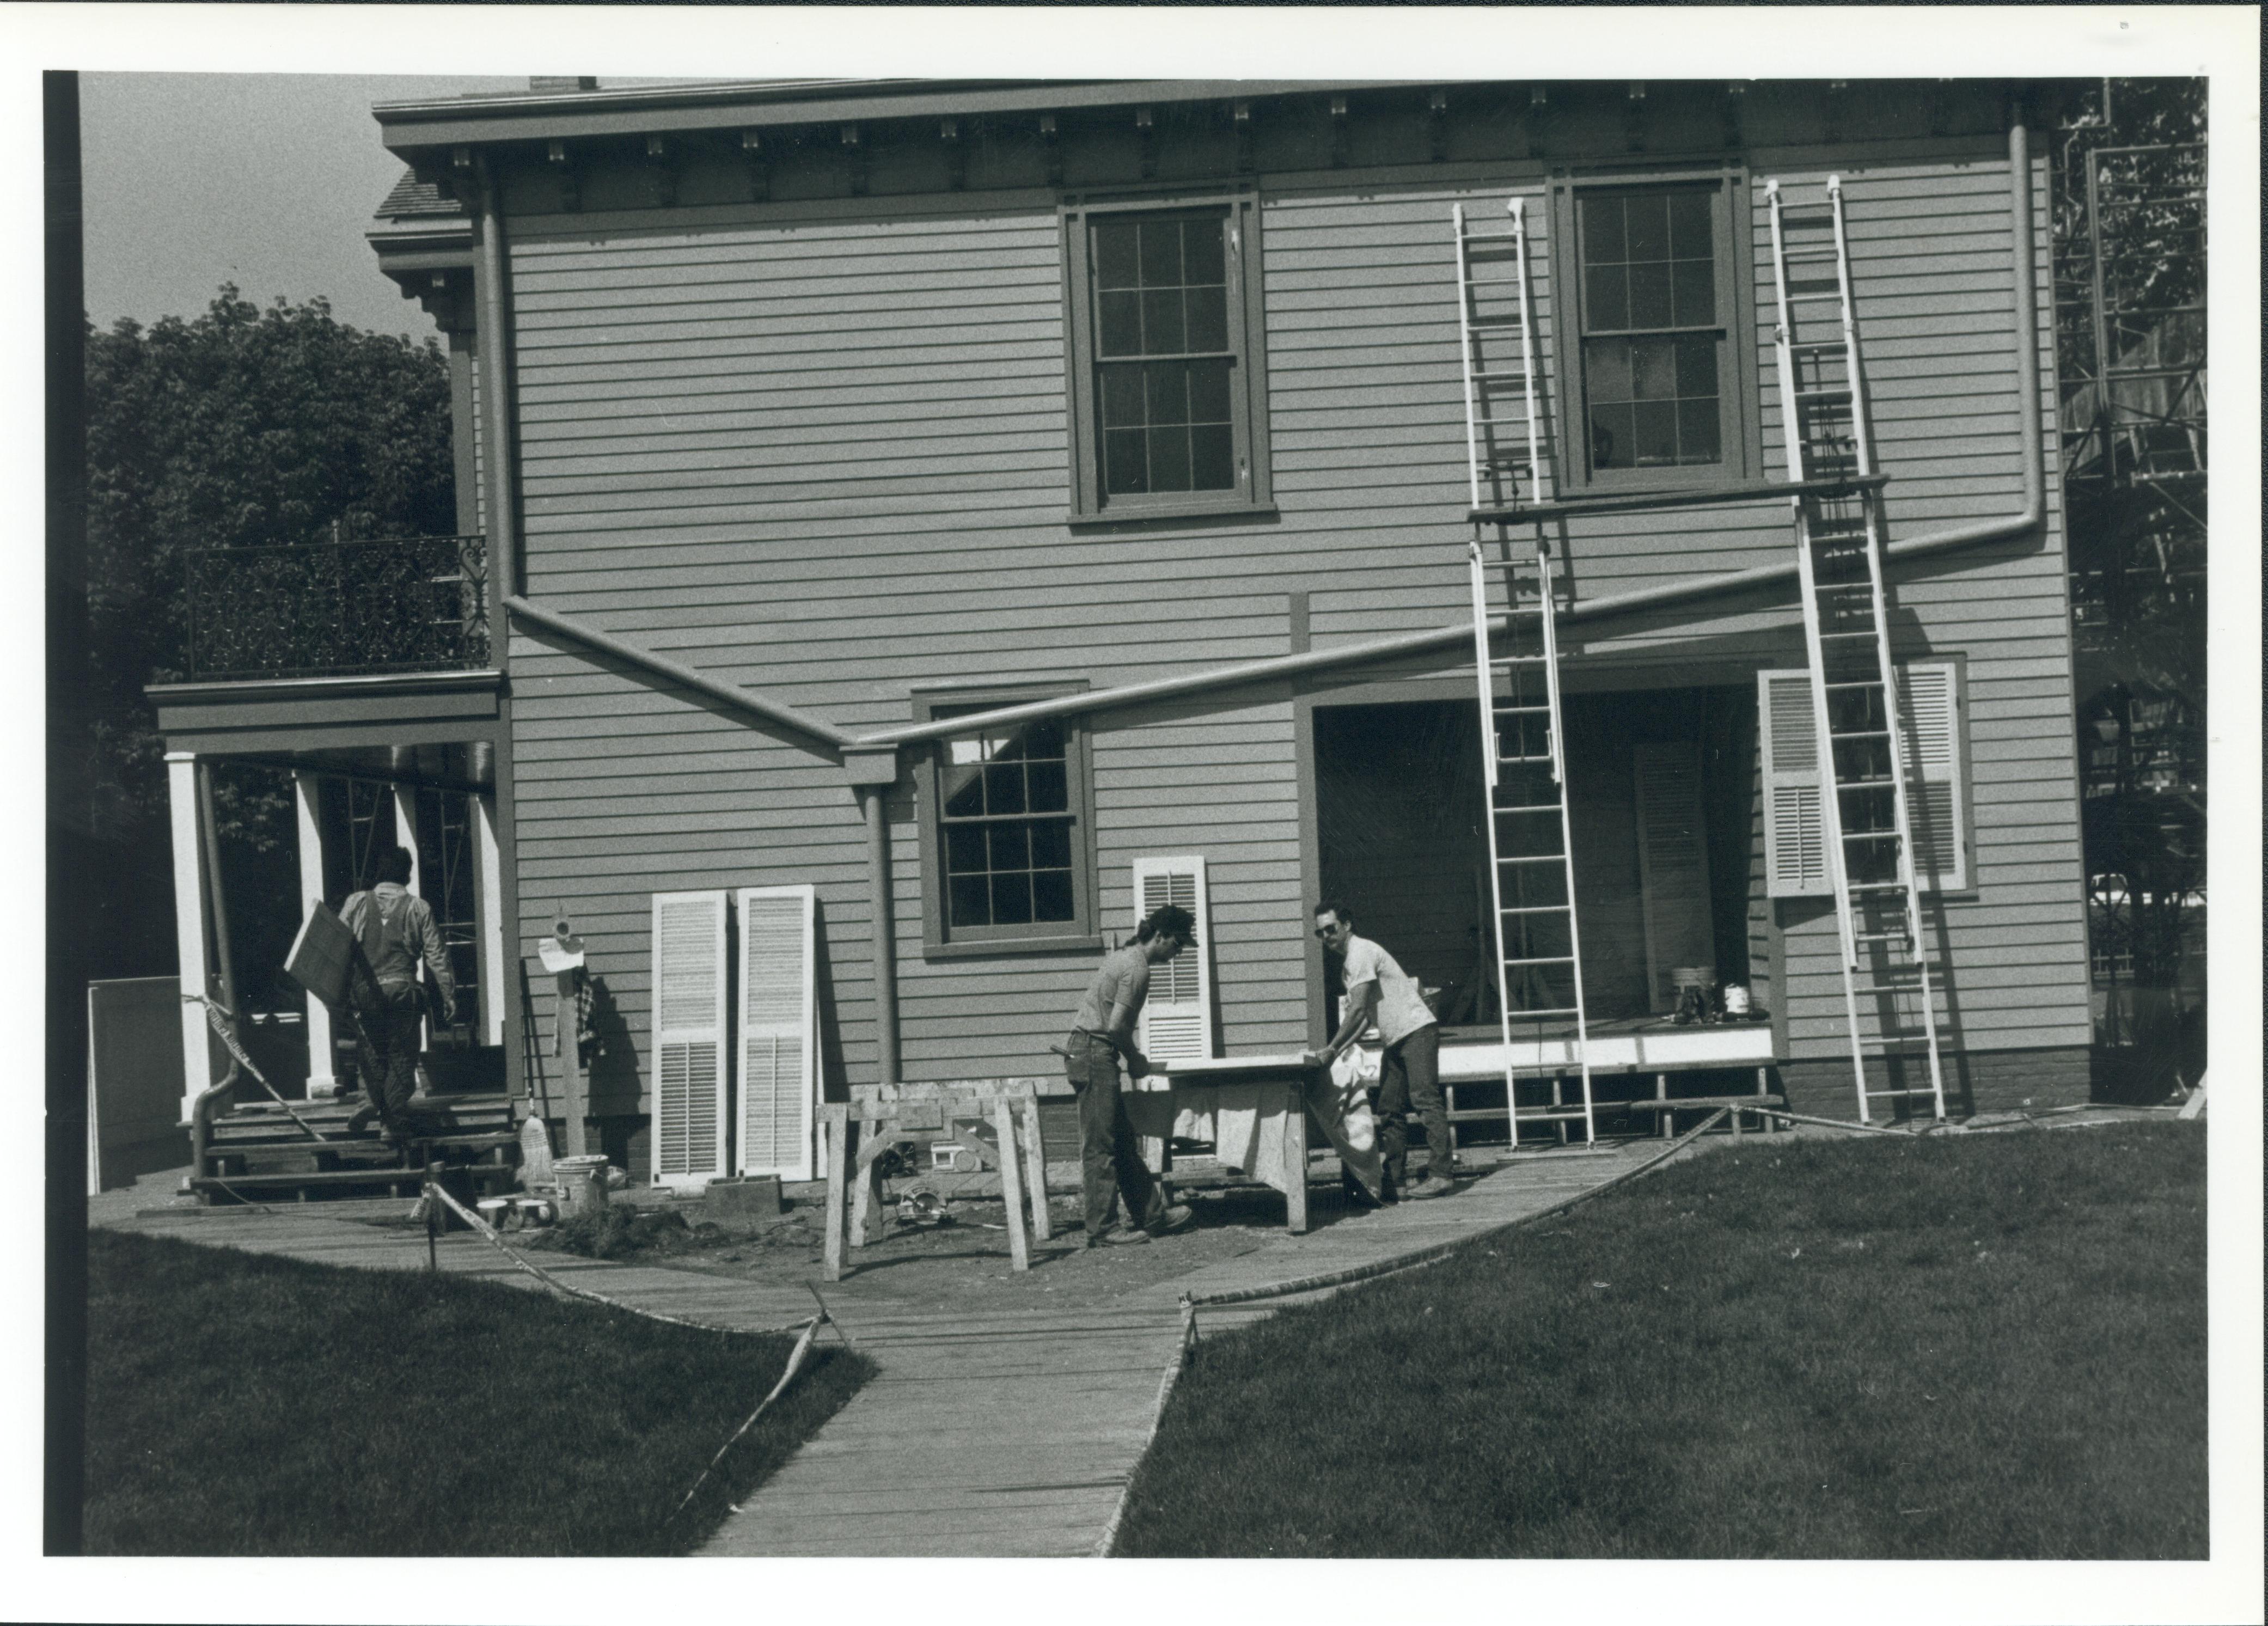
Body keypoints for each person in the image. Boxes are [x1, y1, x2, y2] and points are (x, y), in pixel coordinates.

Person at [1062, 904, 1200, 1246]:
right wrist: (1136, 1059)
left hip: (1096, 1052)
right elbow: (1117, 1027)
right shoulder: (1136, 969)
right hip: (1094, 1053)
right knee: (1101, 1147)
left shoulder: (1128, 958)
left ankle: (1152, 1214)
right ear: (1160, 936)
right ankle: (1103, 1230)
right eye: (1177, 944)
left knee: (1122, 1142)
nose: (1179, 952)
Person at [1308, 901, 1456, 1200]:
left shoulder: (1361, 952)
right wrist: (1336, 1052)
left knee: (1425, 1100)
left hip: (1417, 1031)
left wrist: (1332, 1047)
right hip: (1395, 1039)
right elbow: (1364, 1018)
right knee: (1389, 1109)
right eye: (1320, 933)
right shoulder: (1350, 965)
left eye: (1331, 929)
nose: (1326, 937)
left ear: (1347, 926)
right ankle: (1396, 1183)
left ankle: (1442, 1175)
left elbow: (1359, 1008)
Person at [339, 846, 456, 1150]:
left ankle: (369, 1100)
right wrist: (448, 993)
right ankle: (391, 1125)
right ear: (406, 873)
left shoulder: (356, 903)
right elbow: (436, 956)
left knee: (371, 1050)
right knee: (402, 1057)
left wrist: (336, 994)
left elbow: (335, 946)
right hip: (402, 991)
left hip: (366, 992)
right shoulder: (418, 908)